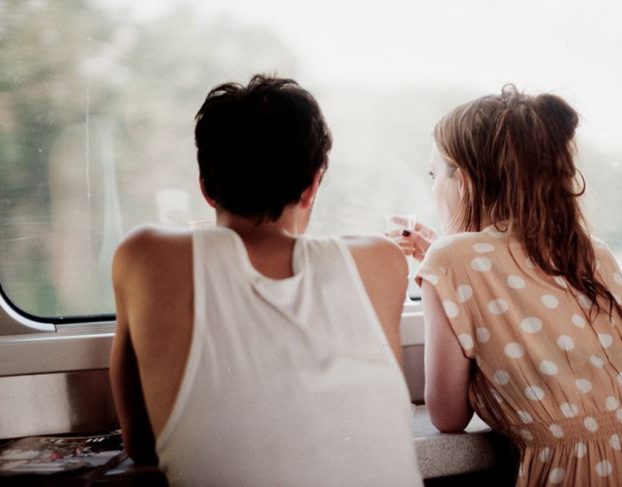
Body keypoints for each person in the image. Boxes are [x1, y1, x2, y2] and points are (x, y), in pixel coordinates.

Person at [109, 75, 422, 486]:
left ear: (205, 186)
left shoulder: (144, 256)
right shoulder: (381, 261)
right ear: (313, 185)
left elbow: (143, 443)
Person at [403, 85, 622, 486]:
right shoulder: (592, 251)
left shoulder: (450, 262)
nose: (433, 186)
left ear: (462, 181)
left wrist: (437, 267)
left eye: (434, 173)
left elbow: (446, 416)